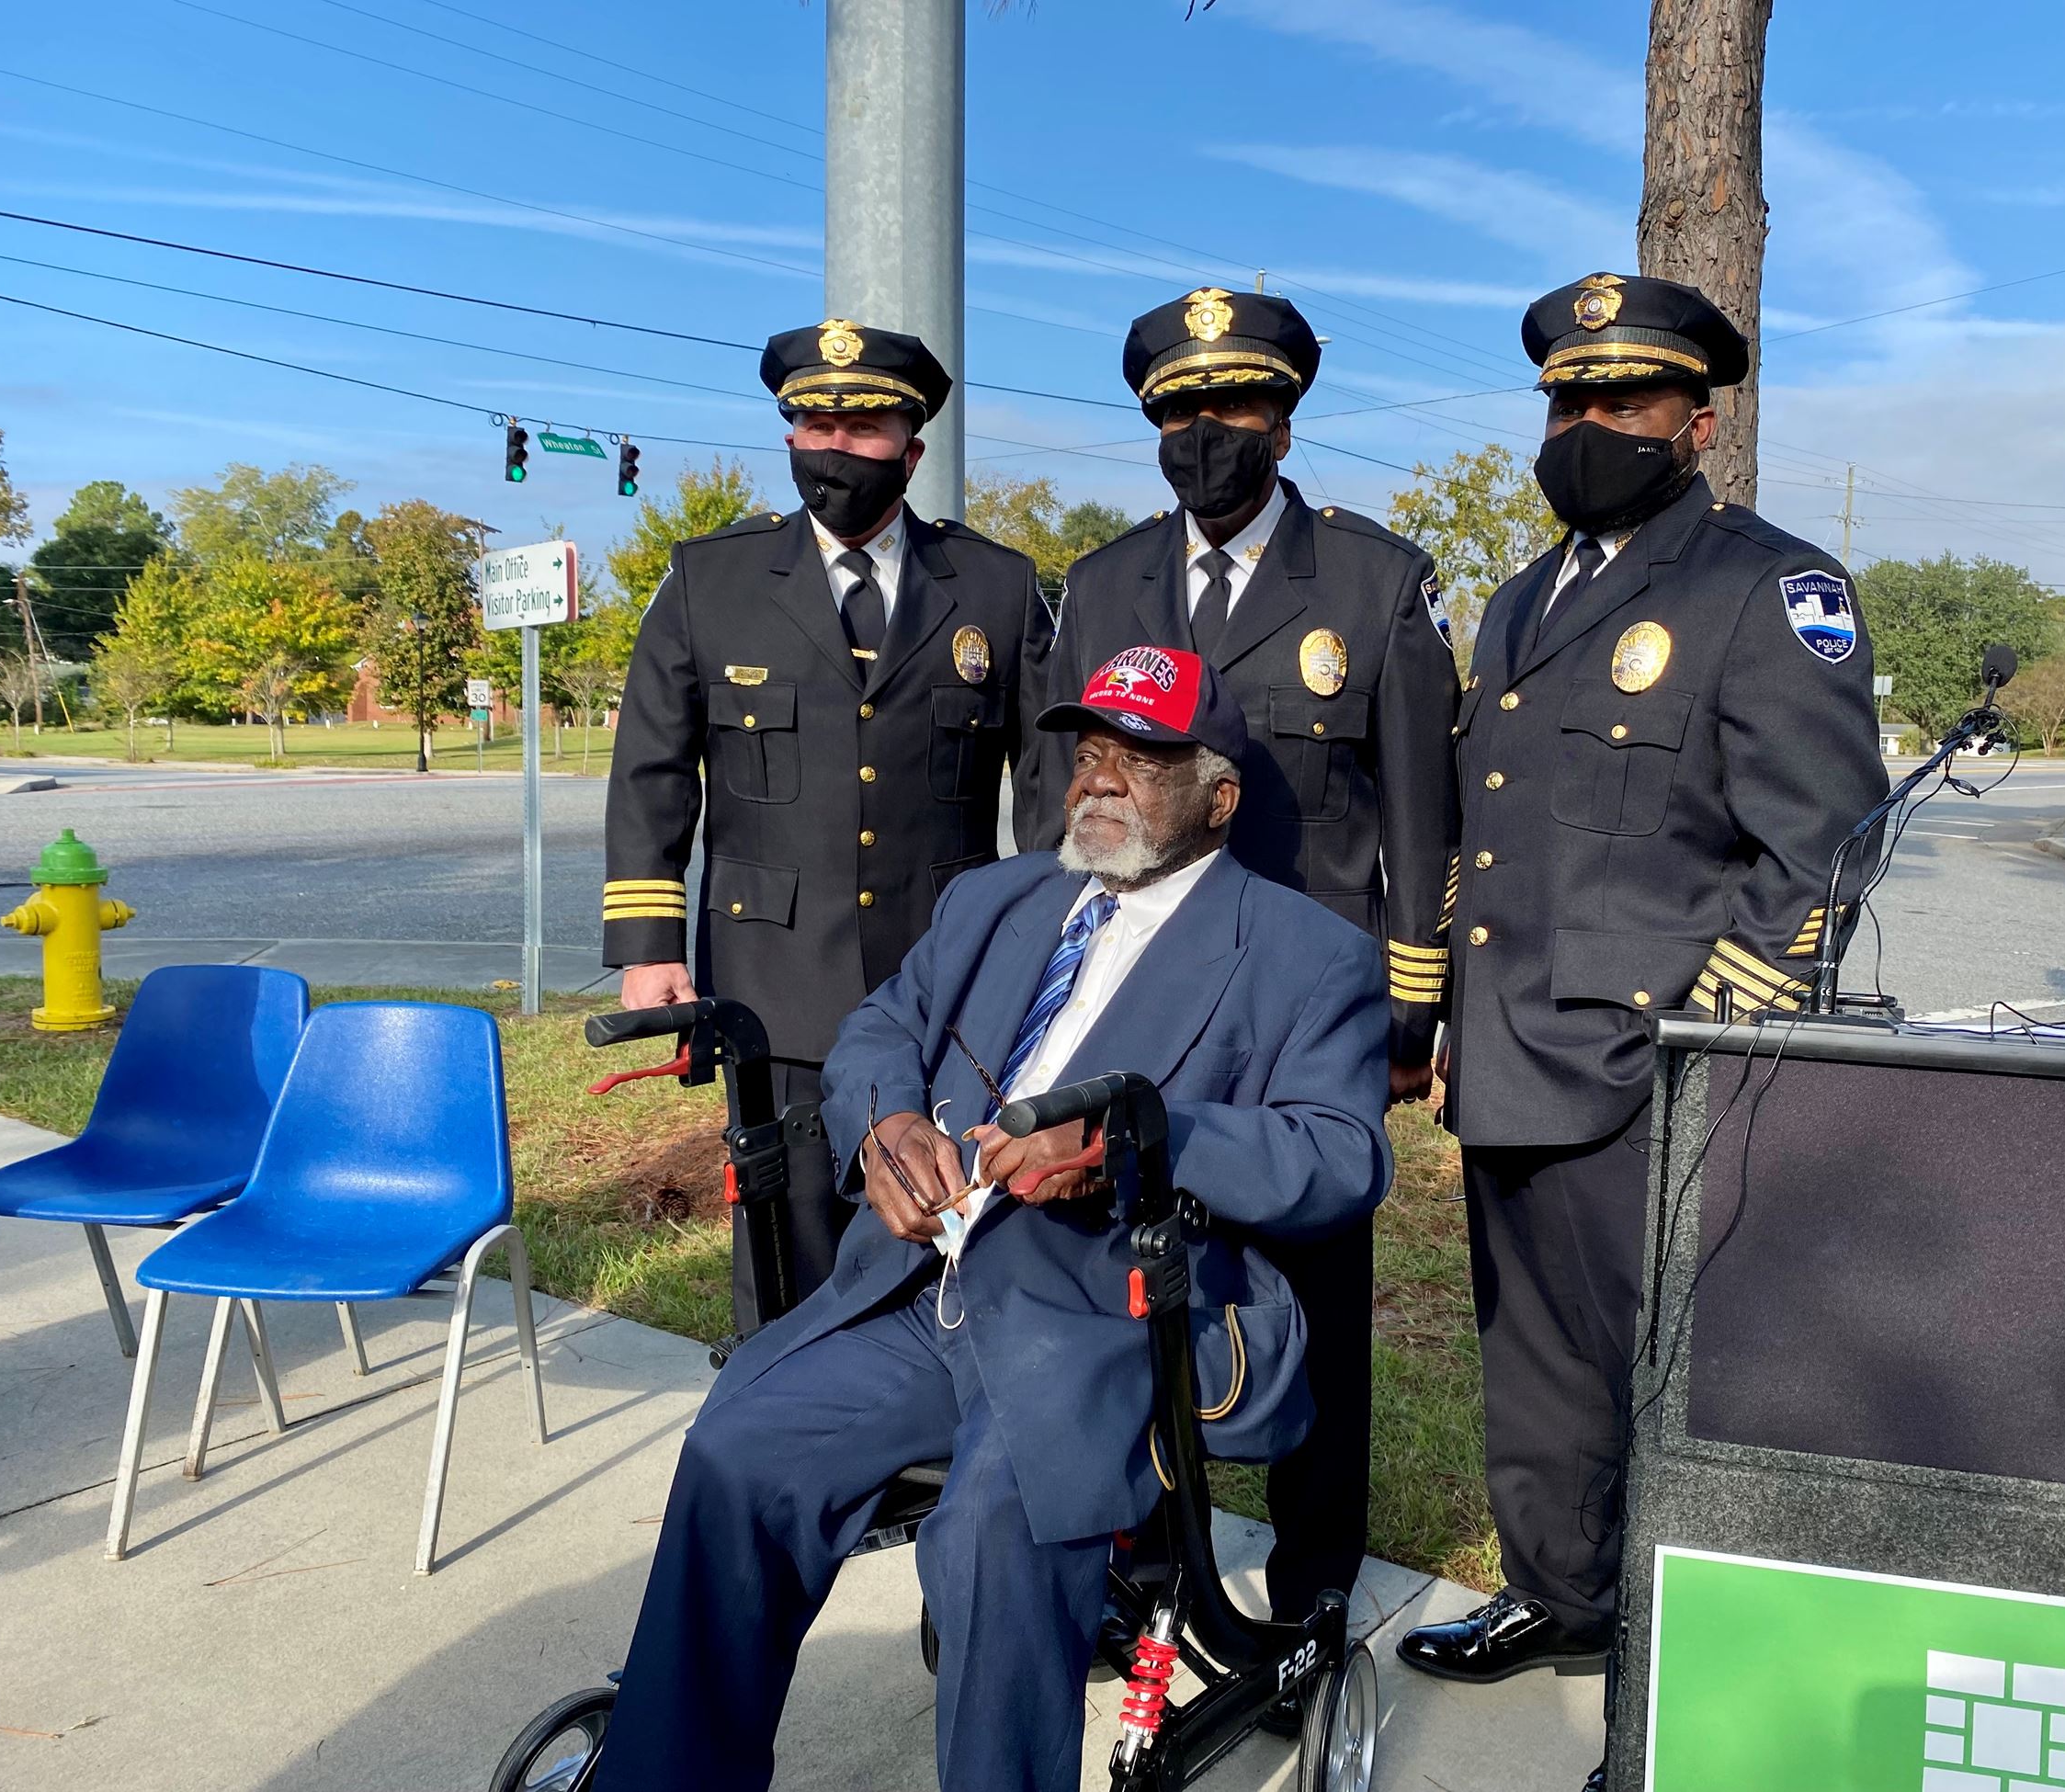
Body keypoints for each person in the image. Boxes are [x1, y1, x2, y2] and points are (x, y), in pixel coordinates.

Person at [590, 645, 1392, 1791]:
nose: (1099, 780)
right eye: (1090, 753)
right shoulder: (995, 897)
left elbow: (1341, 1153)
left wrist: (1132, 1139)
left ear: (1219, 800)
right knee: (739, 1449)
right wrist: (884, 1125)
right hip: (924, 1289)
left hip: (1108, 1323)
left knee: (991, 1539)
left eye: (1142, 761)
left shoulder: (1306, 955)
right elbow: (882, 1026)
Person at [1396, 276, 1889, 1714]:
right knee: (1533, 1357)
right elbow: (1492, 832)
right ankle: (1563, 1596)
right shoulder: (1515, 601)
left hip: (1654, 1068)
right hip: (1514, 1052)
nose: (1589, 423)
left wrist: (1706, 1035)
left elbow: (1821, 840)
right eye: (1567, 398)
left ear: (1699, 420)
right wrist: (1444, 1021)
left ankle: (1680, 1677)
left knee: (1665, 1381)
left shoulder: (1765, 585)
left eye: (1624, 397)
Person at [1017, 286, 1459, 1635]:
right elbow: (1068, 813)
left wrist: (1413, 1008)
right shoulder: (1099, 587)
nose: (1210, 431)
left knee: (1313, 1278)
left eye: (1237, 405)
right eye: (1181, 411)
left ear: (1285, 416)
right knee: (1130, 1278)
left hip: (1304, 1008)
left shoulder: (1376, 584)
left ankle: (1316, 1579)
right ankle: (1137, 1560)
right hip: (1140, 994)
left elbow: (1422, 812)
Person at [603, 319, 1048, 1327]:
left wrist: (1050, 952)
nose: (836, 447)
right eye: (814, 424)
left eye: (865, 428)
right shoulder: (709, 581)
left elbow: (1052, 784)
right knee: (783, 1236)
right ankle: (777, 1444)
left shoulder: (995, 587)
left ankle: (922, 1461)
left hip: (947, 980)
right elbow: (651, 771)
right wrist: (646, 945)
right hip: (774, 981)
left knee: (946, 1237)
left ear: (912, 448)